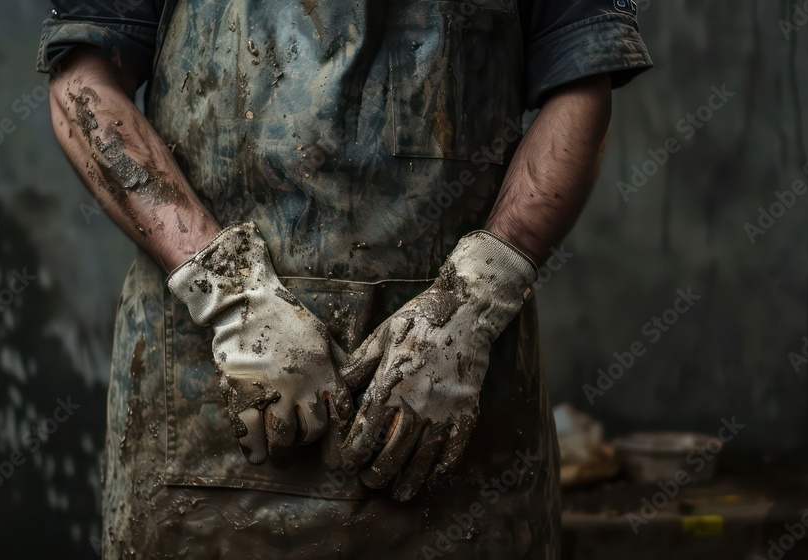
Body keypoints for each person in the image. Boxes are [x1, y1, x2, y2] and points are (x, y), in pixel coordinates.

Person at [39, 0, 651, 557]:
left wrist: (473, 303)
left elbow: (581, 79)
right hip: (209, 423)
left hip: (453, 426)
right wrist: (229, 292)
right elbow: (84, 82)